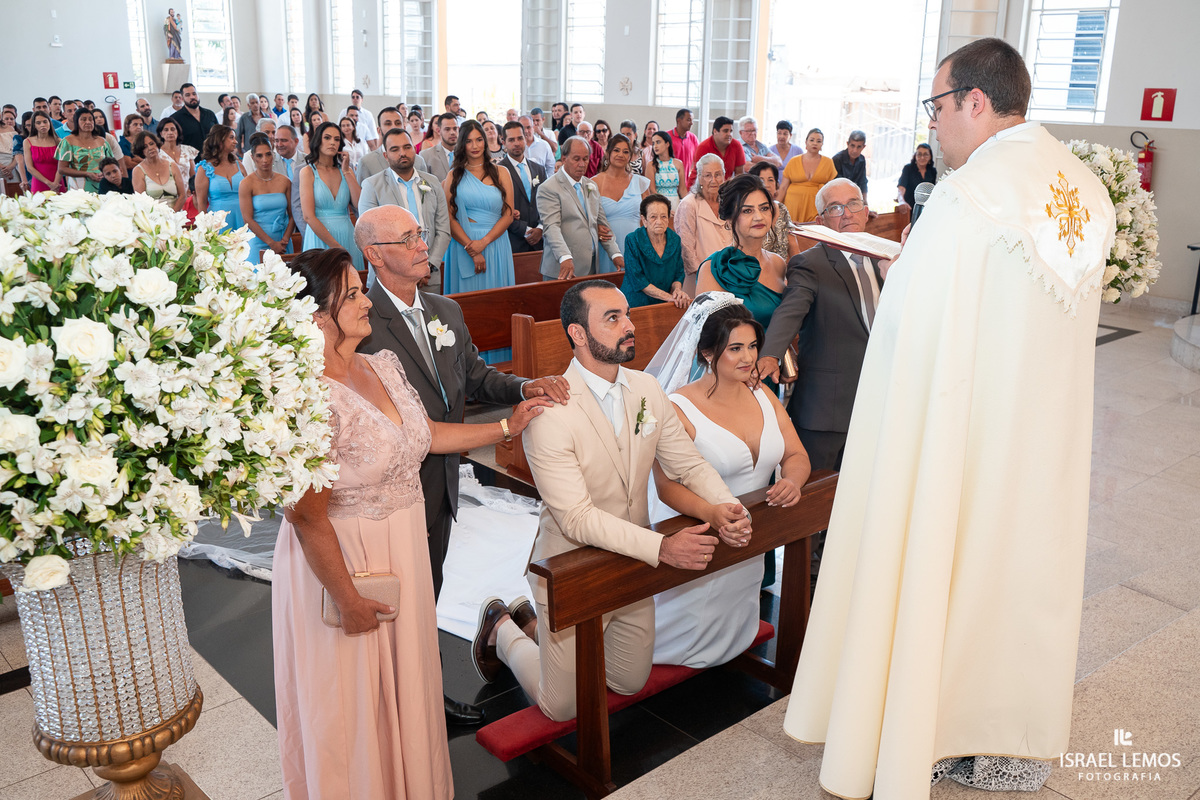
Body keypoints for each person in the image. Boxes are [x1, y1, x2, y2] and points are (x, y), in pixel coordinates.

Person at [782, 38, 1117, 798]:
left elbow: (909, 330)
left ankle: (926, 729)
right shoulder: (1082, 187)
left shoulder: (973, 195)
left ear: (974, 100)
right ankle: (1007, 742)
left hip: (965, 433)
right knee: (1019, 567)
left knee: (947, 552)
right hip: (1042, 437)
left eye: (936, 105)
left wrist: (900, 280)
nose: (933, 124)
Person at [273, 246, 551, 797]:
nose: (364, 301)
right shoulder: (302, 394)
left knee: (405, 682)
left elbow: (427, 436)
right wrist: (348, 597)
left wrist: (505, 429)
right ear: (314, 314)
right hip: (347, 562)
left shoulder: (379, 364)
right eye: (351, 294)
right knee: (353, 695)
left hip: (404, 547)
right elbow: (306, 515)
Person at [472, 279, 748, 721]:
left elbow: (688, 465)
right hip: (569, 566)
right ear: (577, 334)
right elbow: (578, 519)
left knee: (627, 680)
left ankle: (535, 629)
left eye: (628, 315)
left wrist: (724, 505)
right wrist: (662, 548)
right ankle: (504, 629)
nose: (628, 326)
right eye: (612, 318)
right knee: (561, 706)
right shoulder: (550, 413)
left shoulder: (647, 390)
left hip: (629, 561)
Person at [355, 205, 568, 724]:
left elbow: (475, 378)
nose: (422, 243)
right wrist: (500, 429)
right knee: (393, 599)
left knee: (427, 587)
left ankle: (421, 695)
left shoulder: (444, 310)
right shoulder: (360, 323)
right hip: (389, 487)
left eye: (419, 234)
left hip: (442, 480)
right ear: (375, 255)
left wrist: (523, 386)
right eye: (407, 239)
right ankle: (390, 700)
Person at [646, 300, 809, 668]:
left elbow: (796, 455)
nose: (748, 357)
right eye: (735, 348)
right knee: (672, 637)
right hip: (700, 533)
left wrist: (794, 482)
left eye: (752, 346)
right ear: (707, 352)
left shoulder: (763, 394)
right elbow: (665, 486)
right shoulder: (678, 406)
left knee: (737, 617)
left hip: (750, 539)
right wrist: (714, 513)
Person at [757, 177, 881, 474]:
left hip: (879, 405)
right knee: (813, 501)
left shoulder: (886, 261)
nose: (847, 214)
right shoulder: (810, 264)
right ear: (821, 220)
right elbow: (790, 311)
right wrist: (770, 354)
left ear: (866, 211)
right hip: (828, 408)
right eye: (835, 208)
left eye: (853, 204)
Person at [358, 128, 451, 289]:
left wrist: (427, 265)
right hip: (390, 276)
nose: (403, 153)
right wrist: (408, 269)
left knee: (432, 315)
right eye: (395, 149)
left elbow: (443, 229)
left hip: (429, 274)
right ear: (386, 156)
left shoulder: (432, 182)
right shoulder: (372, 186)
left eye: (407, 147)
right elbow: (371, 237)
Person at [696, 173, 785, 331]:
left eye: (764, 208)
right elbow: (707, 334)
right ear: (729, 220)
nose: (759, 217)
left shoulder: (779, 263)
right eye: (747, 211)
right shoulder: (713, 269)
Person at [441, 120, 515, 304]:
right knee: (466, 304)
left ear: (486, 141)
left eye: (479, 139)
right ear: (462, 145)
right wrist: (473, 250)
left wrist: (483, 243)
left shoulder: (502, 172)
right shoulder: (454, 175)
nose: (475, 146)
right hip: (464, 245)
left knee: (496, 301)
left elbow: (508, 214)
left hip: (495, 243)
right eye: (468, 141)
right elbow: (448, 217)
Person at [536, 137, 625, 280]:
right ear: (564, 158)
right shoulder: (549, 188)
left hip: (591, 266)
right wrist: (564, 257)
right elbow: (551, 227)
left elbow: (602, 224)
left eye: (585, 159)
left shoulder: (591, 186)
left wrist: (615, 254)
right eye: (576, 159)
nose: (582, 164)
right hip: (562, 268)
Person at [301, 121, 363, 269]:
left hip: (347, 234)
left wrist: (347, 171)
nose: (332, 143)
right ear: (318, 141)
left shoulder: (345, 170)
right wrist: (336, 246)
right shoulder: (308, 172)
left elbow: (358, 203)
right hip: (319, 237)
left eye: (336, 139)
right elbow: (308, 216)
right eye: (327, 138)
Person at [592, 134, 651, 274]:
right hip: (605, 246)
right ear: (608, 153)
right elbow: (586, 217)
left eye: (626, 152)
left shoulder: (641, 183)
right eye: (616, 150)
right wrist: (595, 228)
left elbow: (648, 220)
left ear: (630, 156)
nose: (621, 155)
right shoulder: (594, 183)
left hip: (635, 245)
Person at [675, 153, 732, 295]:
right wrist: (704, 275)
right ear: (699, 177)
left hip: (730, 276)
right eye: (707, 175)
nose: (713, 180)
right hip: (699, 279)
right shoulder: (689, 204)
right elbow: (686, 248)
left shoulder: (730, 202)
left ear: (724, 176)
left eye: (718, 174)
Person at [621, 194, 687, 309]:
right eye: (653, 217)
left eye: (663, 216)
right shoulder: (632, 240)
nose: (659, 222)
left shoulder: (675, 240)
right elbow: (638, 280)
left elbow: (679, 273)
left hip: (665, 303)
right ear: (644, 220)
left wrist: (677, 291)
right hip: (636, 304)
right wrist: (669, 297)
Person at [239, 132, 294, 264]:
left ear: (273, 155)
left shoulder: (284, 181)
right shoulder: (246, 183)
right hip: (259, 241)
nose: (265, 160)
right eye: (259, 155)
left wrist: (285, 239)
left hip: (283, 242)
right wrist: (271, 243)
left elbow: (293, 215)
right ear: (252, 158)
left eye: (268, 154)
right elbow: (247, 219)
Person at [499, 120, 547, 254]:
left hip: (540, 241)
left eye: (520, 138)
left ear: (525, 138)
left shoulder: (539, 169)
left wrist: (541, 228)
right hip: (513, 240)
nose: (517, 143)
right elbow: (498, 208)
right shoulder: (498, 171)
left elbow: (547, 202)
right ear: (504, 143)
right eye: (511, 139)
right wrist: (525, 231)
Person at [356, 107, 428, 184]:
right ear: (379, 130)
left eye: (398, 123)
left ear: (404, 127)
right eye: (388, 124)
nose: (393, 127)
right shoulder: (366, 162)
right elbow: (362, 194)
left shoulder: (418, 161)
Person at [779, 128, 836, 223]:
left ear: (822, 145)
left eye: (819, 141)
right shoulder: (793, 161)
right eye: (812, 140)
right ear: (806, 142)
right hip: (793, 204)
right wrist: (776, 207)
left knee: (813, 233)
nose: (815, 143)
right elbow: (783, 187)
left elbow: (831, 190)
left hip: (815, 205)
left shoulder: (828, 162)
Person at [195, 125, 246, 232]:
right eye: (231, 138)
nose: (236, 142)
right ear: (220, 140)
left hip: (242, 218)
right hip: (218, 222)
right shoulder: (204, 169)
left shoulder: (239, 165)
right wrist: (205, 230)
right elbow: (201, 203)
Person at [55, 107, 118, 192]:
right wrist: (87, 174)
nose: (88, 122)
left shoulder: (102, 141)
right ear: (77, 122)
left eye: (91, 119)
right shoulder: (68, 141)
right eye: (83, 119)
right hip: (79, 187)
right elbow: (62, 169)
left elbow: (112, 163)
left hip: (102, 184)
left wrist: (104, 173)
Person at [748, 161, 799, 261]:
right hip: (755, 270)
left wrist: (800, 269)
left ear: (776, 184)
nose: (766, 185)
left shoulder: (782, 209)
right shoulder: (748, 212)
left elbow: (793, 244)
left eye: (770, 180)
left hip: (782, 271)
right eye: (761, 180)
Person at [131, 131, 185, 211]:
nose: (150, 148)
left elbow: (183, 195)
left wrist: (172, 214)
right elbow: (142, 202)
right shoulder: (138, 171)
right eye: (145, 147)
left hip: (176, 215)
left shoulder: (172, 166)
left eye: (151, 143)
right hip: (153, 217)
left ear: (157, 144)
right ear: (140, 151)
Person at [275, 124, 305, 237]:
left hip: (305, 218)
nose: (279, 145)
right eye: (276, 141)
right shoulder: (269, 164)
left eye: (283, 140)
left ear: (296, 141)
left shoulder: (308, 161)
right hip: (282, 222)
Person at [170, 83, 218, 152]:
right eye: (188, 95)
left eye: (194, 94)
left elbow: (219, 136)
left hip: (212, 159)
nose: (192, 97)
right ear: (182, 99)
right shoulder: (175, 119)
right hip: (190, 161)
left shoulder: (210, 114)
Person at [23, 111, 62, 193]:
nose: (42, 125)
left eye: (45, 122)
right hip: (39, 182)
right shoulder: (27, 142)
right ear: (34, 125)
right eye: (38, 123)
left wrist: (55, 183)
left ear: (49, 123)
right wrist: (48, 183)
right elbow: (29, 167)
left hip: (57, 182)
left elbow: (62, 165)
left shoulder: (58, 141)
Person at [645, 130, 684, 210]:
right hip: (658, 204)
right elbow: (652, 190)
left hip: (675, 203)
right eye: (653, 143)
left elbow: (682, 189)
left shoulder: (678, 164)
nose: (655, 146)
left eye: (658, 142)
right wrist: (665, 206)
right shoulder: (651, 165)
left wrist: (690, 204)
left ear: (667, 144)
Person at [831, 130, 869, 204]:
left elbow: (863, 182)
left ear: (863, 147)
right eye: (852, 145)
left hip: (854, 197)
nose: (855, 150)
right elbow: (836, 185)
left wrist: (865, 204)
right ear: (847, 144)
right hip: (838, 198)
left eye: (859, 147)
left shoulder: (862, 159)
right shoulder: (837, 159)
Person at [158, 117, 196, 189]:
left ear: (177, 132)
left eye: (173, 129)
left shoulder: (187, 149)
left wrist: (191, 191)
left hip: (188, 193)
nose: (170, 132)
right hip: (168, 193)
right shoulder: (158, 153)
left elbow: (193, 176)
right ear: (161, 134)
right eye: (166, 130)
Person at [897, 142, 937, 210]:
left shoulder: (933, 171)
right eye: (919, 154)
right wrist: (901, 201)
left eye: (925, 154)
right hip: (908, 208)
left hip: (925, 209)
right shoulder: (908, 168)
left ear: (930, 156)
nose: (922, 157)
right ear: (915, 156)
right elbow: (901, 188)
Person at [668, 109, 700, 188]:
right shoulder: (667, 137)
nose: (691, 123)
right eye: (688, 120)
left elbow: (697, 161)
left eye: (692, 120)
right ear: (679, 120)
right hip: (670, 183)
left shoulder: (693, 138)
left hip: (688, 184)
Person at [423, 115, 457, 182]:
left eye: (455, 129)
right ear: (439, 131)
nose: (452, 132)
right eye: (447, 129)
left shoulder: (466, 154)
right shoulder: (426, 156)